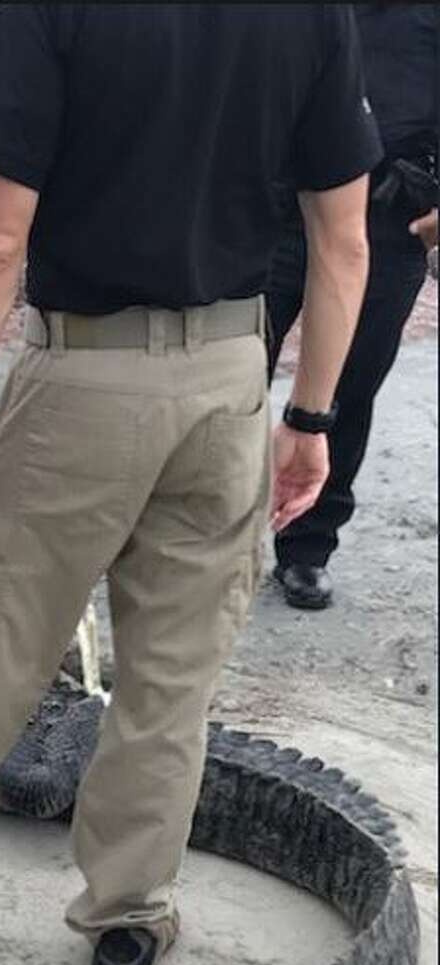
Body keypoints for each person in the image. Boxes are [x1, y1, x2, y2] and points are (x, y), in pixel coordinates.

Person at [0, 3, 381, 965]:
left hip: (81, 374)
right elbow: (342, 242)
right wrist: (313, 416)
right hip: (226, 376)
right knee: (172, 677)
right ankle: (128, 914)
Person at [265, 1, 437, 611]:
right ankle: (199, 532)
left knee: (349, 386)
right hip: (279, 203)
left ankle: (308, 545)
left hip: (391, 212)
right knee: (228, 368)